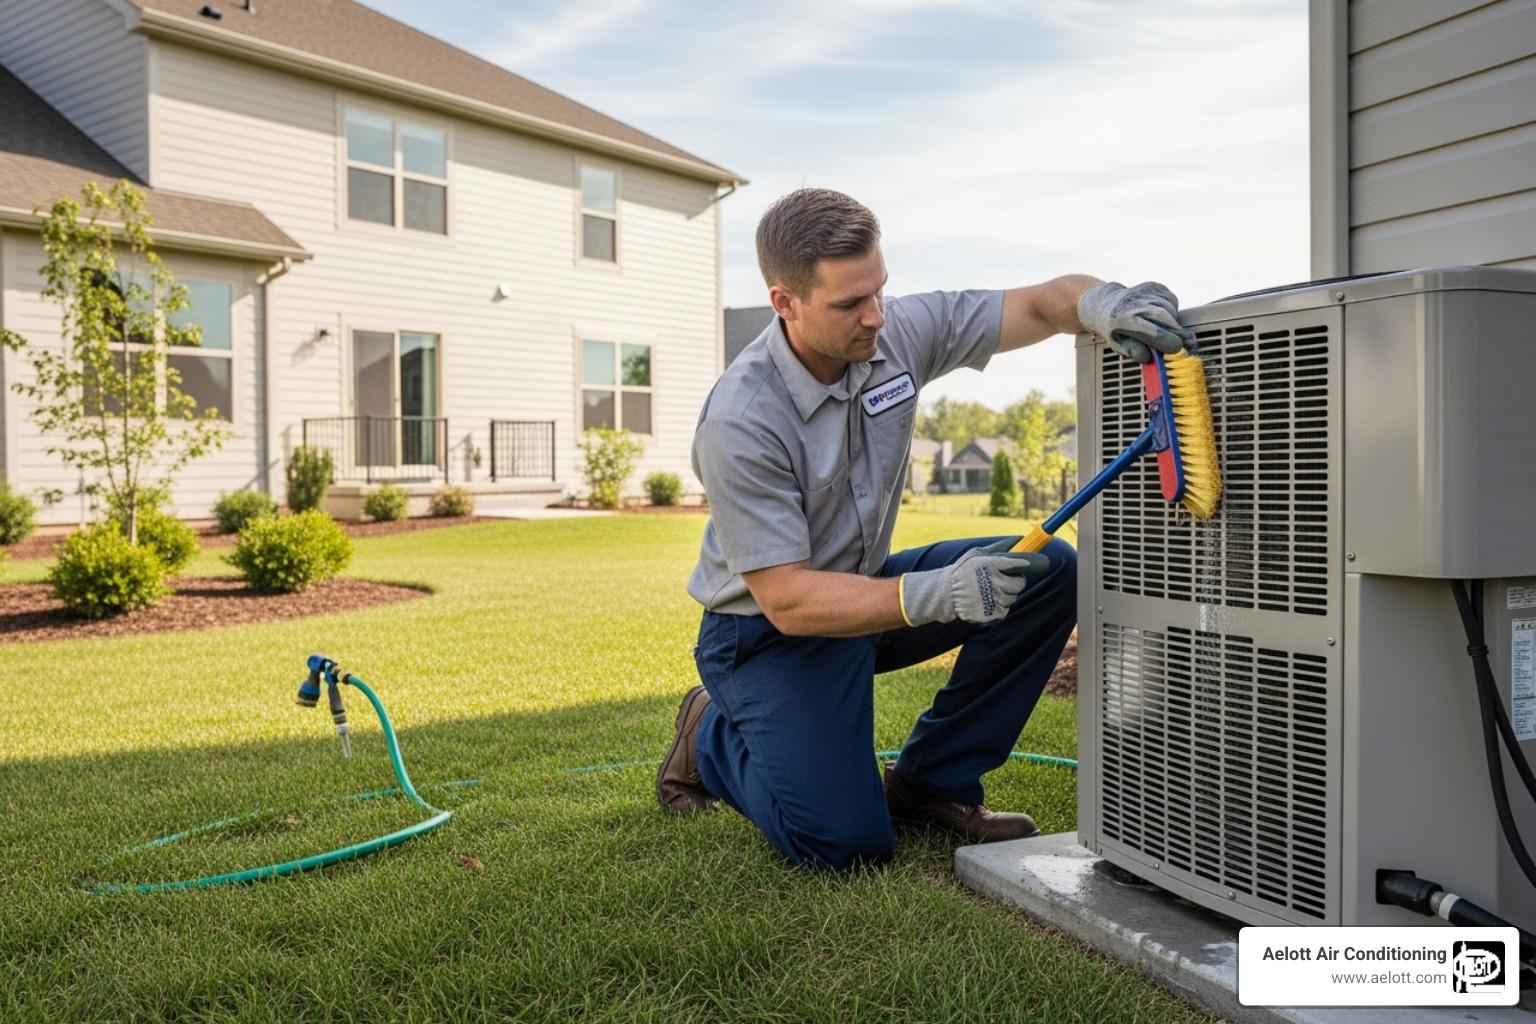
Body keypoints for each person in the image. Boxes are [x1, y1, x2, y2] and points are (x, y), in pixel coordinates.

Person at [657, 188, 1192, 871]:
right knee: (845, 845)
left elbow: (1039, 301)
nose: (875, 316)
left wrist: (1099, 303)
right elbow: (787, 599)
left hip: (865, 591)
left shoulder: (896, 332)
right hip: (766, 637)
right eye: (849, 304)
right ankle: (707, 735)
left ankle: (932, 782)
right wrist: (934, 593)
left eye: (878, 290)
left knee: (1049, 571)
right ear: (784, 303)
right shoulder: (742, 420)